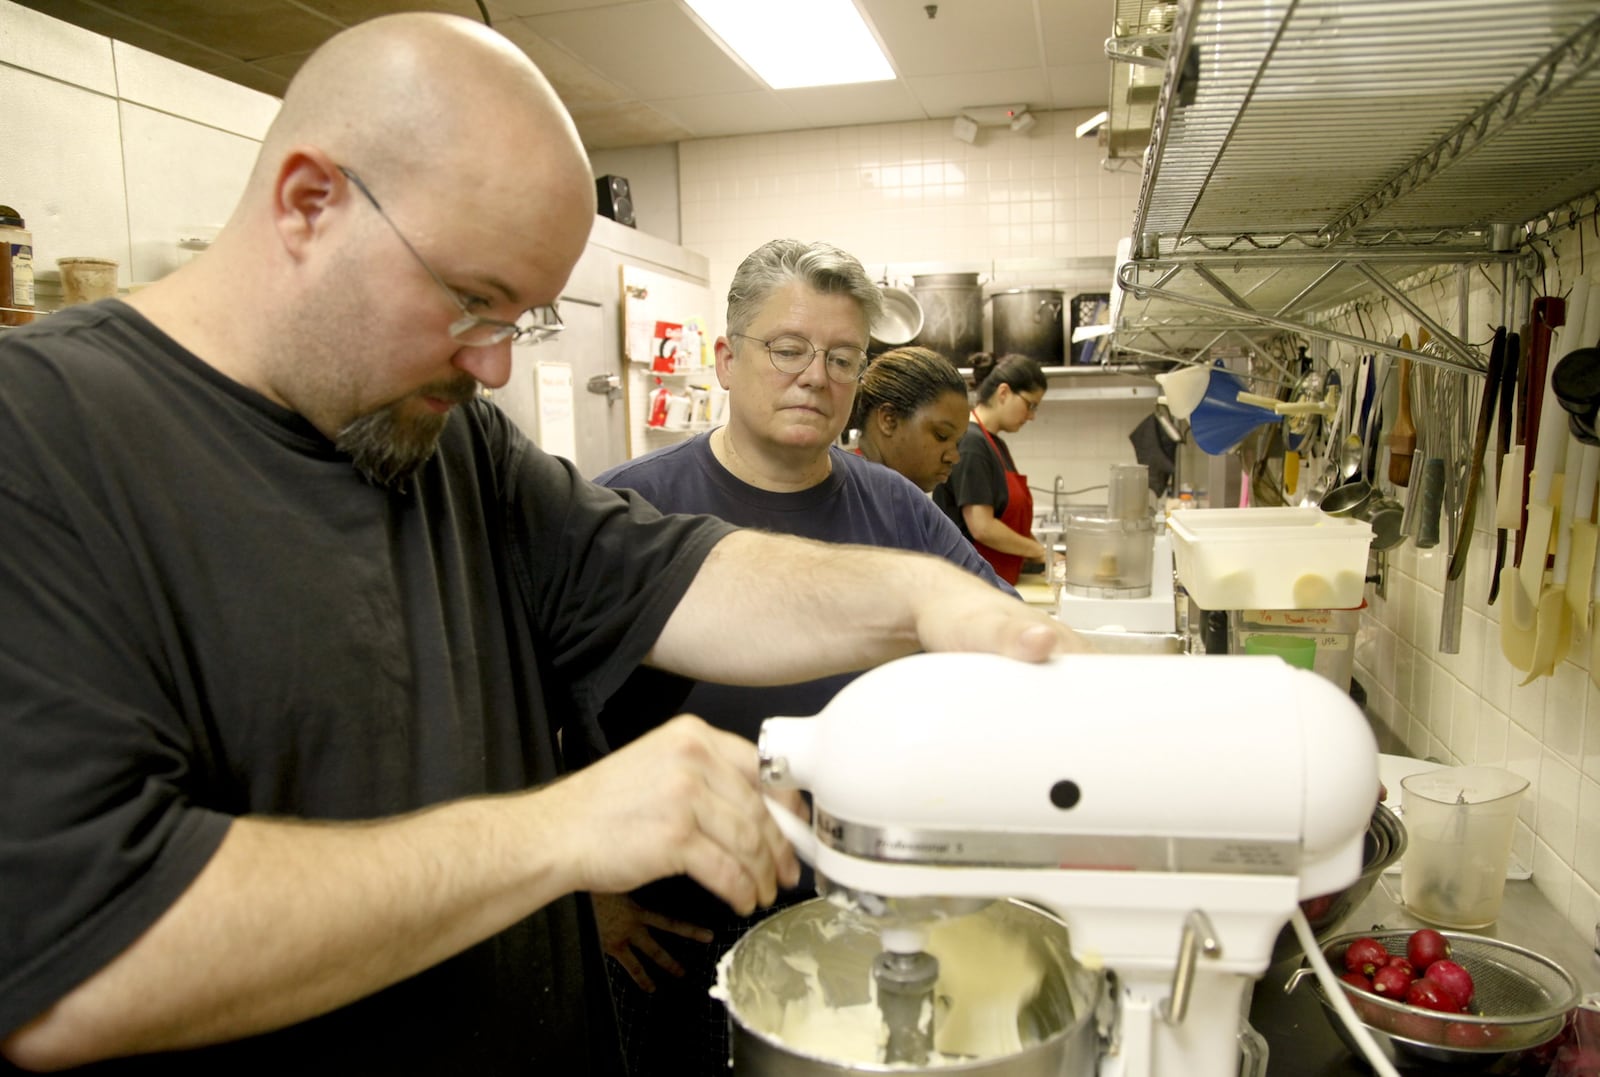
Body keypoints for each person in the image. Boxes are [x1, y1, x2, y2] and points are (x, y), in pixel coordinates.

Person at [0, 16, 1083, 1076]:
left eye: (516, 320)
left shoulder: (440, 434)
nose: (494, 369)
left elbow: (681, 573)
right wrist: (562, 833)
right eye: (473, 302)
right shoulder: (44, 442)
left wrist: (931, 599)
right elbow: (78, 957)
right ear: (308, 202)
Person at [588, 241, 1042, 1076]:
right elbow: (533, 702)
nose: (815, 376)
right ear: (726, 360)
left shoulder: (896, 507)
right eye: (788, 348)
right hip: (677, 916)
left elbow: (998, 639)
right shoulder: (628, 506)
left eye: (842, 358)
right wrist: (596, 895)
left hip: (857, 898)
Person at [934, 352, 1051, 584]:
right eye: (1030, 405)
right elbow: (982, 527)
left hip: (992, 581)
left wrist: (1043, 552)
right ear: (1004, 393)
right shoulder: (971, 443)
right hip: (969, 583)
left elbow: (1005, 519)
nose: (1031, 416)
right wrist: (1040, 552)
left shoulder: (994, 443)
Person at [848, 344, 970, 492]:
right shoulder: (849, 500)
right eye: (941, 436)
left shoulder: (896, 500)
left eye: (957, 443)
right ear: (889, 419)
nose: (954, 457)